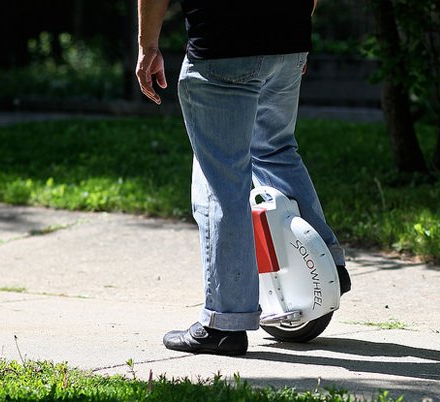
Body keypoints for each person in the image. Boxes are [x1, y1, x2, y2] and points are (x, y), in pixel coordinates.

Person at [135, 0, 351, 356]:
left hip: (223, 47)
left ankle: (225, 324)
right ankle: (329, 261)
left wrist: (148, 46)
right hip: (287, 39)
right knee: (275, 150)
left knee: (221, 182)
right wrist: (293, 32)